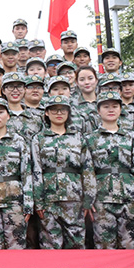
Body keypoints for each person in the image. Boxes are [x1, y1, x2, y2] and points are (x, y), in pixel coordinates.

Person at [85, 91, 134, 249]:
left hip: (129, 198)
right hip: (102, 199)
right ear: (98, 110)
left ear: (120, 109)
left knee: (130, 245)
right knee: (104, 246)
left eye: (115, 106)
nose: (111, 109)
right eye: (106, 106)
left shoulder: (131, 137)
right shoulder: (90, 139)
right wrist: (88, 199)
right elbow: (87, 172)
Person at [30, 95, 95, 249]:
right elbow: (36, 170)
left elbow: (87, 169)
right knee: (49, 245)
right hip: (48, 199)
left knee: (76, 243)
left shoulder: (78, 138)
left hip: (74, 198)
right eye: (54, 110)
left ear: (68, 113)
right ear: (46, 113)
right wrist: (38, 201)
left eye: (63, 110)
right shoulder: (39, 139)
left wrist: (89, 199)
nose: (59, 113)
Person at [0, 97, 32, 249]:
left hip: (14, 202)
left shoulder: (18, 141)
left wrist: (28, 203)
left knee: (16, 246)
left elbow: (26, 173)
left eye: (1, 112)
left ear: (8, 116)